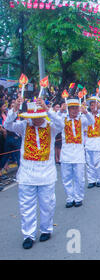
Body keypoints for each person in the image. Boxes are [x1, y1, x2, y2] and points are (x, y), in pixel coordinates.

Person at [4, 97, 64, 249]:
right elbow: (7, 124)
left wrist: (48, 109)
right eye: (33, 117)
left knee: (47, 204)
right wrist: (14, 110)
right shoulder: (24, 125)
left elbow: (61, 124)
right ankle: (28, 235)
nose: (36, 120)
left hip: (46, 174)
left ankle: (46, 229)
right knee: (26, 206)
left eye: (39, 116)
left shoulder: (51, 127)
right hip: (27, 174)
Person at [58, 98, 94, 208]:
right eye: (71, 108)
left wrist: (86, 112)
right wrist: (60, 111)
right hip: (66, 153)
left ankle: (78, 197)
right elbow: (53, 119)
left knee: (79, 177)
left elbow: (92, 121)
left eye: (76, 108)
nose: (74, 110)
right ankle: (70, 197)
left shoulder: (82, 119)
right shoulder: (62, 119)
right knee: (66, 177)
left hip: (78, 153)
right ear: (68, 109)